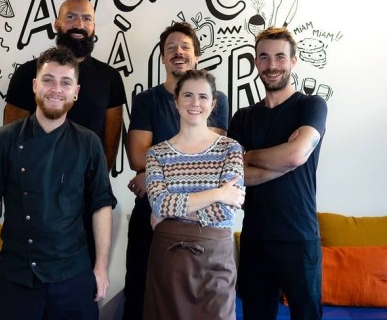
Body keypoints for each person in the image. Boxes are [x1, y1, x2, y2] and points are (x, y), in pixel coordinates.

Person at [0, 47, 117, 320]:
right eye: (48, 80)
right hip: (17, 276)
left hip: (73, 275)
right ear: (35, 85)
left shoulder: (89, 143)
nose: (56, 89)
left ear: (76, 91)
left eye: (65, 82)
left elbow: (101, 207)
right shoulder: (3, 140)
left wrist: (100, 268)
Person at [4, 0, 126, 264]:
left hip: (85, 197)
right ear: (57, 23)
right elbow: (12, 138)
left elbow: (110, 143)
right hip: (34, 195)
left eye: (86, 18)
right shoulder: (28, 74)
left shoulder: (110, 78)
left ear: (94, 27)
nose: (78, 24)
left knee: (82, 280)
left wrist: (93, 186)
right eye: (71, 16)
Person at [123, 22, 229, 320]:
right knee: (141, 294)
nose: (178, 53)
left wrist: (154, 174)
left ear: (196, 56)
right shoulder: (146, 100)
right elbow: (137, 157)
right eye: (170, 49)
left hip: (202, 222)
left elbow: (212, 159)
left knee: (196, 304)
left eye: (185, 47)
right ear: (162, 58)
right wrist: (156, 169)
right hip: (150, 215)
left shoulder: (214, 100)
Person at [227, 27, 328, 320]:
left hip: (299, 236)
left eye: (280, 57)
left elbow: (296, 154)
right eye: (264, 57)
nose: (272, 65)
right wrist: (283, 158)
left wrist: (252, 157)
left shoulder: (311, 106)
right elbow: (234, 174)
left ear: (293, 61)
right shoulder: (243, 117)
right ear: (256, 62)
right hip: (255, 237)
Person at [143, 69, 245, 320]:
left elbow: (225, 209)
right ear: (176, 101)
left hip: (216, 258)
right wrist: (218, 192)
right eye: (188, 95)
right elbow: (159, 203)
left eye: (203, 96)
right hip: (168, 259)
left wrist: (172, 212)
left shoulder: (230, 148)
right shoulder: (157, 154)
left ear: (213, 104)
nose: (195, 103)